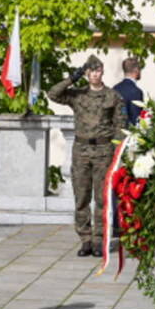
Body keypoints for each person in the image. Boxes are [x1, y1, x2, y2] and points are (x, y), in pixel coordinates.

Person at [47, 55, 126, 257]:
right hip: (81, 151)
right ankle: (85, 240)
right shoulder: (78, 95)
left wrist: (116, 151)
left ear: (102, 72)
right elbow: (53, 94)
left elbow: (120, 125)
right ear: (87, 73)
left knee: (102, 198)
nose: (94, 75)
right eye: (90, 71)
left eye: (97, 71)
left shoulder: (113, 96)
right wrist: (72, 78)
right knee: (81, 197)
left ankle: (99, 240)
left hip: (103, 151)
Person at [112, 57, 144, 126]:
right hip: (129, 134)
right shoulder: (136, 92)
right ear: (136, 70)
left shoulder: (114, 89)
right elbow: (136, 119)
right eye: (140, 69)